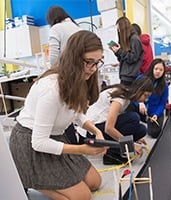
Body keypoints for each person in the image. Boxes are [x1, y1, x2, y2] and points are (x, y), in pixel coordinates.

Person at [9, 30, 107, 200]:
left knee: (94, 182)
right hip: (30, 145)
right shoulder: (51, 89)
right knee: (82, 196)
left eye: (97, 62)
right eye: (89, 62)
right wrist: (81, 150)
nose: (93, 69)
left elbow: (76, 114)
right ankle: (29, 181)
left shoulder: (78, 79)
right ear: (74, 58)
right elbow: (39, 143)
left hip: (54, 139)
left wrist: (97, 132)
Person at [82, 76, 154, 165]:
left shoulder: (126, 98)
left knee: (141, 130)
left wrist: (134, 139)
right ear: (139, 90)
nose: (146, 99)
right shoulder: (120, 98)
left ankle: (120, 149)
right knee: (134, 118)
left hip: (101, 126)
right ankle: (111, 154)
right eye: (145, 95)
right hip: (92, 131)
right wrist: (130, 144)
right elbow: (109, 128)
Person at [127, 58, 169, 138]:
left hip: (153, 112)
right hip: (139, 108)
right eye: (156, 69)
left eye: (161, 70)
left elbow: (162, 103)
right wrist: (140, 102)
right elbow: (132, 94)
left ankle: (147, 123)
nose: (158, 72)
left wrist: (156, 114)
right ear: (152, 68)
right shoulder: (141, 78)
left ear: (163, 72)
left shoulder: (164, 85)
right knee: (130, 108)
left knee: (155, 133)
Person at [109, 16, 144, 86]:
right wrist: (116, 52)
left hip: (131, 77)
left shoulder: (134, 39)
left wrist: (120, 51)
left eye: (119, 29)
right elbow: (123, 59)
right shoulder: (127, 41)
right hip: (125, 76)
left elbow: (132, 58)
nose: (118, 31)